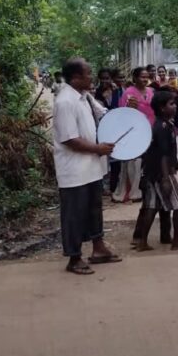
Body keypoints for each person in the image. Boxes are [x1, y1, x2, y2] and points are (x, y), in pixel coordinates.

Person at [52, 57, 121, 275]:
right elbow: (69, 139)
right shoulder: (65, 102)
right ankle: (74, 257)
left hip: (91, 168)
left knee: (94, 210)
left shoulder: (85, 97)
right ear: (75, 78)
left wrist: (126, 109)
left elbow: (105, 114)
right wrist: (97, 149)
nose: (92, 78)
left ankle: (99, 248)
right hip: (74, 171)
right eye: (88, 74)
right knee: (74, 214)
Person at [132, 91, 178, 251]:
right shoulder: (163, 127)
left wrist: (176, 162)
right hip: (162, 173)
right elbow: (163, 155)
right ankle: (177, 242)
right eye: (171, 104)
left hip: (152, 172)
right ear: (162, 108)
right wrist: (166, 178)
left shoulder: (161, 124)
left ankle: (142, 242)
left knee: (152, 206)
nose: (175, 106)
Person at [113, 67, 154, 203]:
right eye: (142, 76)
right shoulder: (128, 93)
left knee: (147, 162)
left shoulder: (150, 91)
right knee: (133, 162)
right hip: (134, 131)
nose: (145, 79)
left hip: (149, 129)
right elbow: (123, 112)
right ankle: (130, 192)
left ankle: (144, 189)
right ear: (135, 78)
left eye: (146, 76)